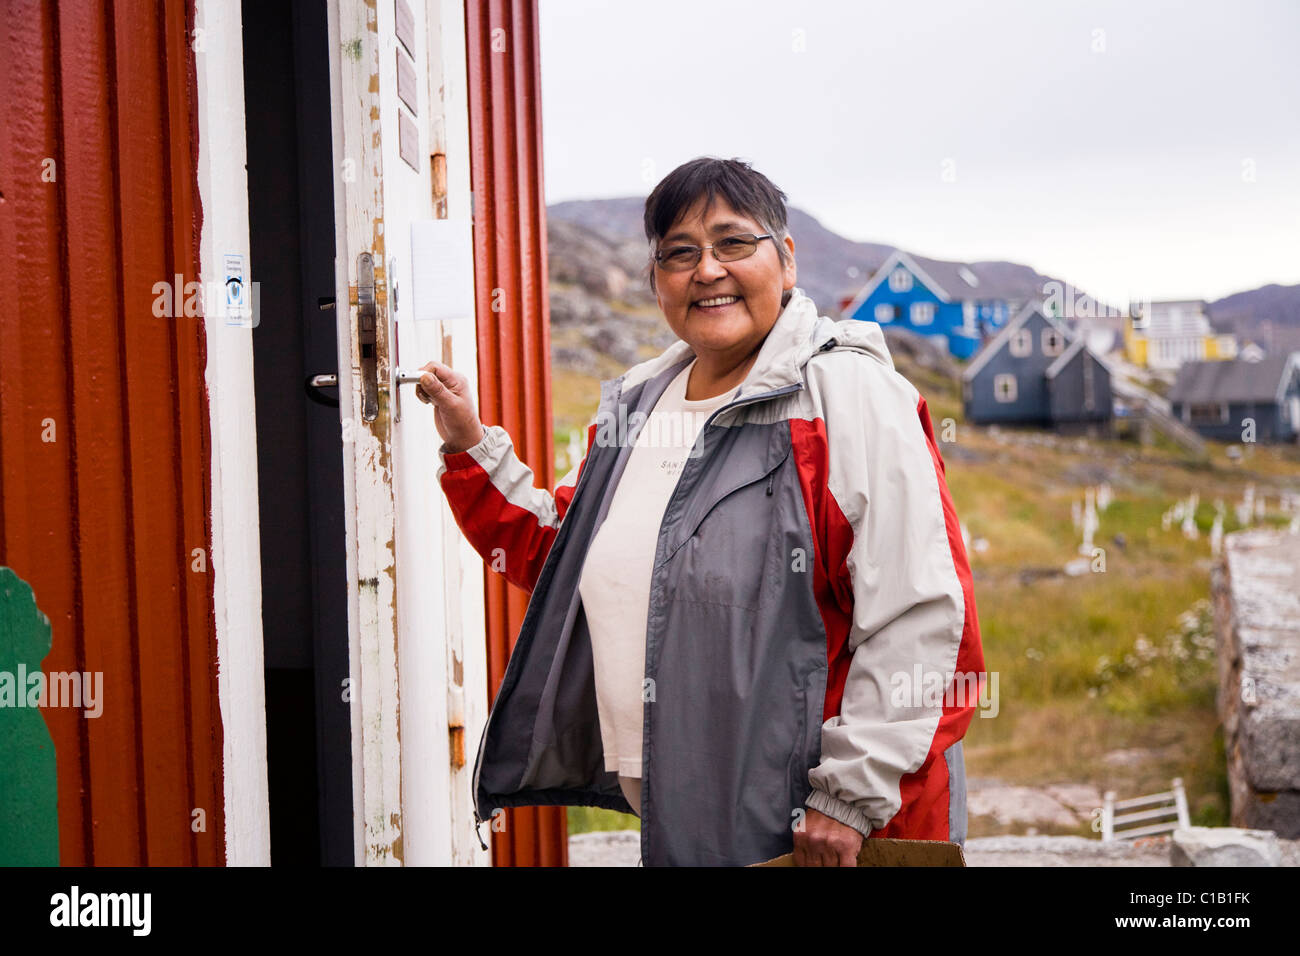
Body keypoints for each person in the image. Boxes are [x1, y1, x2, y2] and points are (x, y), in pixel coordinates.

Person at [417, 156, 985, 867]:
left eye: (732, 243)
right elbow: (559, 553)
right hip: (683, 807)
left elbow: (924, 613)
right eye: (678, 253)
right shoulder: (640, 404)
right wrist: (473, 447)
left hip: (825, 833)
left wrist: (849, 795)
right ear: (657, 279)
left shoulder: (849, 395)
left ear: (786, 259)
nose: (706, 269)